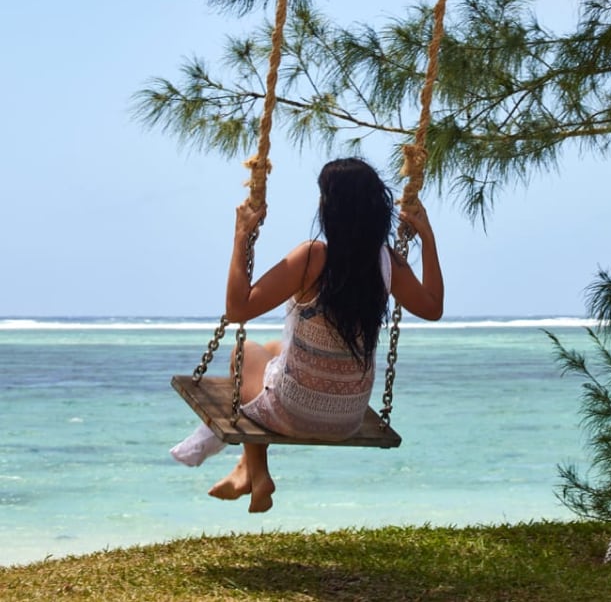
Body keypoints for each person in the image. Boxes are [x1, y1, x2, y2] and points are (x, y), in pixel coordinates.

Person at [171, 157, 443, 513]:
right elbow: (433, 307)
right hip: (348, 417)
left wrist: (241, 236)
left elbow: (237, 309)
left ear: (332, 209)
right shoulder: (386, 262)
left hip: (294, 411)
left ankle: (259, 472)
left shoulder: (313, 257)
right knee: (272, 349)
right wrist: (428, 237)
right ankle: (243, 469)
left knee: (244, 354)